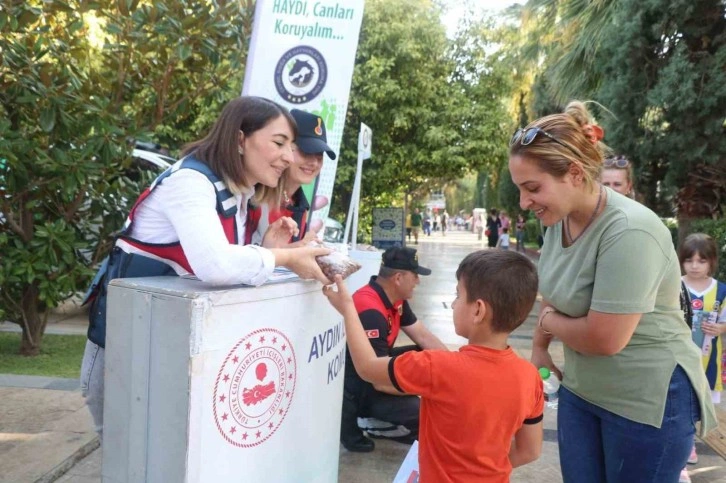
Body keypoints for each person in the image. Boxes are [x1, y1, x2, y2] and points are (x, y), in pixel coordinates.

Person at [79, 97, 332, 437]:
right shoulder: (191, 183)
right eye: (279, 143)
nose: (289, 157)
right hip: (127, 349)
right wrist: (284, 258)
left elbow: (225, 262)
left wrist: (268, 250)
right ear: (240, 139)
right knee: (127, 450)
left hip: (170, 347)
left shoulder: (239, 193)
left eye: (291, 146)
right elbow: (214, 264)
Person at [508, 100, 716, 482]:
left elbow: (605, 338)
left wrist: (551, 320)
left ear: (573, 173)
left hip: (647, 400)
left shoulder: (630, 230)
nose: (524, 203)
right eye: (520, 189)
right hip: (583, 388)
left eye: (533, 188)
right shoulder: (558, 219)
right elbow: (554, 288)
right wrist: (539, 345)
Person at [324, 250, 544, 481]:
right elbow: (530, 450)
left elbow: (368, 368)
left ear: (478, 310)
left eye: (458, 295)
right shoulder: (530, 377)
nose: (452, 304)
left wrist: (348, 308)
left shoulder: (437, 367)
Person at [338, 247, 448, 452]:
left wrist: (455, 371)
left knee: (429, 356)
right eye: (415, 276)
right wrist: (431, 390)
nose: (418, 282)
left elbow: (423, 337)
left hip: (380, 366)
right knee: (421, 410)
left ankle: (387, 420)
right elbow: (378, 380)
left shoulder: (395, 299)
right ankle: (372, 423)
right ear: (398, 278)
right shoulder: (370, 311)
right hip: (363, 387)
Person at [248, 109, 336, 246]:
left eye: (319, 156)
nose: (314, 163)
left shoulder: (300, 206)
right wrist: (294, 251)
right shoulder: (253, 196)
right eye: (306, 152)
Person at [679, 233, 726, 478]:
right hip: (676, 360)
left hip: (708, 361)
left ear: (711, 262)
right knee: (680, 404)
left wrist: (720, 328)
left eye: (701, 261)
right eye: (689, 260)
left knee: (698, 403)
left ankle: (687, 444)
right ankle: (684, 450)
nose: (695, 266)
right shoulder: (674, 285)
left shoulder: (721, 290)